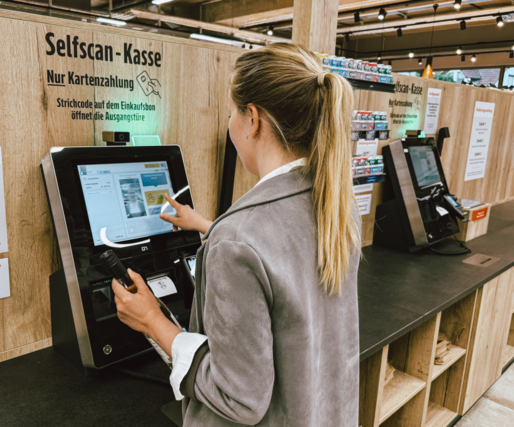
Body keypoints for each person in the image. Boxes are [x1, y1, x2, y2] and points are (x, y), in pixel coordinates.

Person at [111, 43, 361, 426]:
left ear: (253, 120)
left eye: (231, 113)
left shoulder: (238, 240)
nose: (230, 125)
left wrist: (153, 322)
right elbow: (282, 252)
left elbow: (239, 397)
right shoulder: (337, 203)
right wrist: (209, 227)